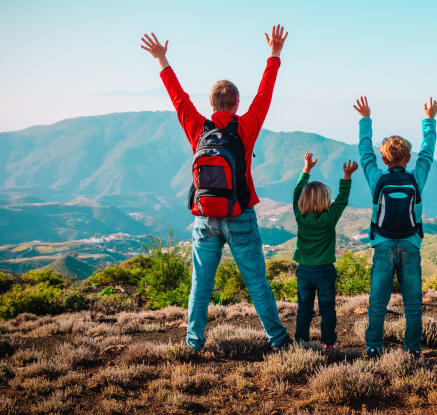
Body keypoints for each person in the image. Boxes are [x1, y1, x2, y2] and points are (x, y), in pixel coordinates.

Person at [140, 25, 293, 352]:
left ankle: (193, 344)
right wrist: (274, 54)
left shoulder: (198, 127)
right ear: (237, 103)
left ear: (210, 105)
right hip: (240, 214)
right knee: (257, 284)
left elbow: (178, 98)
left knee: (200, 286)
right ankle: (279, 340)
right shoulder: (246, 125)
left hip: (204, 217)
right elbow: (265, 94)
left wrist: (161, 60)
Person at [353, 95, 437, 358]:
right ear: (409, 158)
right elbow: (428, 153)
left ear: (383, 158)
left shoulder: (377, 177)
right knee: (413, 303)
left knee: (378, 302)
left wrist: (365, 120)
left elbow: (364, 153)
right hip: (411, 243)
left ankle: (373, 346)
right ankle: (412, 348)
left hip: (383, 244)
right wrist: (429, 121)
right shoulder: (416, 177)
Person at [292, 151, 358, 349]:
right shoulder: (329, 219)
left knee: (304, 309)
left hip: (304, 270)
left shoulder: (300, 216)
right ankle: (328, 345)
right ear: (325, 201)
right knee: (327, 310)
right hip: (325, 271)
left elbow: (296, 192)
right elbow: (342, 199)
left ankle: (301, 343)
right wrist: (347, 176)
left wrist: (306, 170)